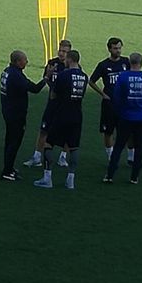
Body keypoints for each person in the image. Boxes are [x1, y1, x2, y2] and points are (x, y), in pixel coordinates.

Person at [35, 50, 104, 190]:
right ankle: (70, 180)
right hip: (77, 115)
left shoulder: (63, 75)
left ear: (70, 59)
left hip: (61, 114)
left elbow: (54, 95)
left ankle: (47, 178)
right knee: (74, 147)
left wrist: (48, 78)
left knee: (48, 144)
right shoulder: (84, 77)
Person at [103, 52, 142, 185]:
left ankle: (109, 175)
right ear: (141, 63)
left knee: (118, 146)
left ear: (130, 63)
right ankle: (134, 177)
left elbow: (117, 96)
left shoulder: (123, 77)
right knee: (139, 147)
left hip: (125, 116)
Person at [23, 39, 72, 169]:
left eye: (65, 51)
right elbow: (47, 78)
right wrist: (52, 87)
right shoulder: (52, 63)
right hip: (52, 104)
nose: (62, 53)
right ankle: (37, 157)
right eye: (60, 50)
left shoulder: (72, 67)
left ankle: (63, 157)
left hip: (65, 105)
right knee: (44, 130)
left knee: (67, 131)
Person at [0, 50, 46, 181]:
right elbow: (35, 89)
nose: (27, 62)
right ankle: (7, 171)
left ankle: (8, 167)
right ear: (18, 62)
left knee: (9, 141)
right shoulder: (16, 76)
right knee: (14, 142)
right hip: (16, 114)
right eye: (25, 60)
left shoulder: (7, 71)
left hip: (7, 111)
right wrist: (46, 78)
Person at [89, 37, 131, 161]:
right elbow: (91, 81)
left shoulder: (126, 62)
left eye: (119, 48)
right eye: (115, 48)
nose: (118, 51)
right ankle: (111, 156)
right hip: (109, 103)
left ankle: (131, 157)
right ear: (109, 49)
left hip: (124, 103)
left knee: (127, 130)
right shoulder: (103, 65)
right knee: (108, 131)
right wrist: (102, 94)